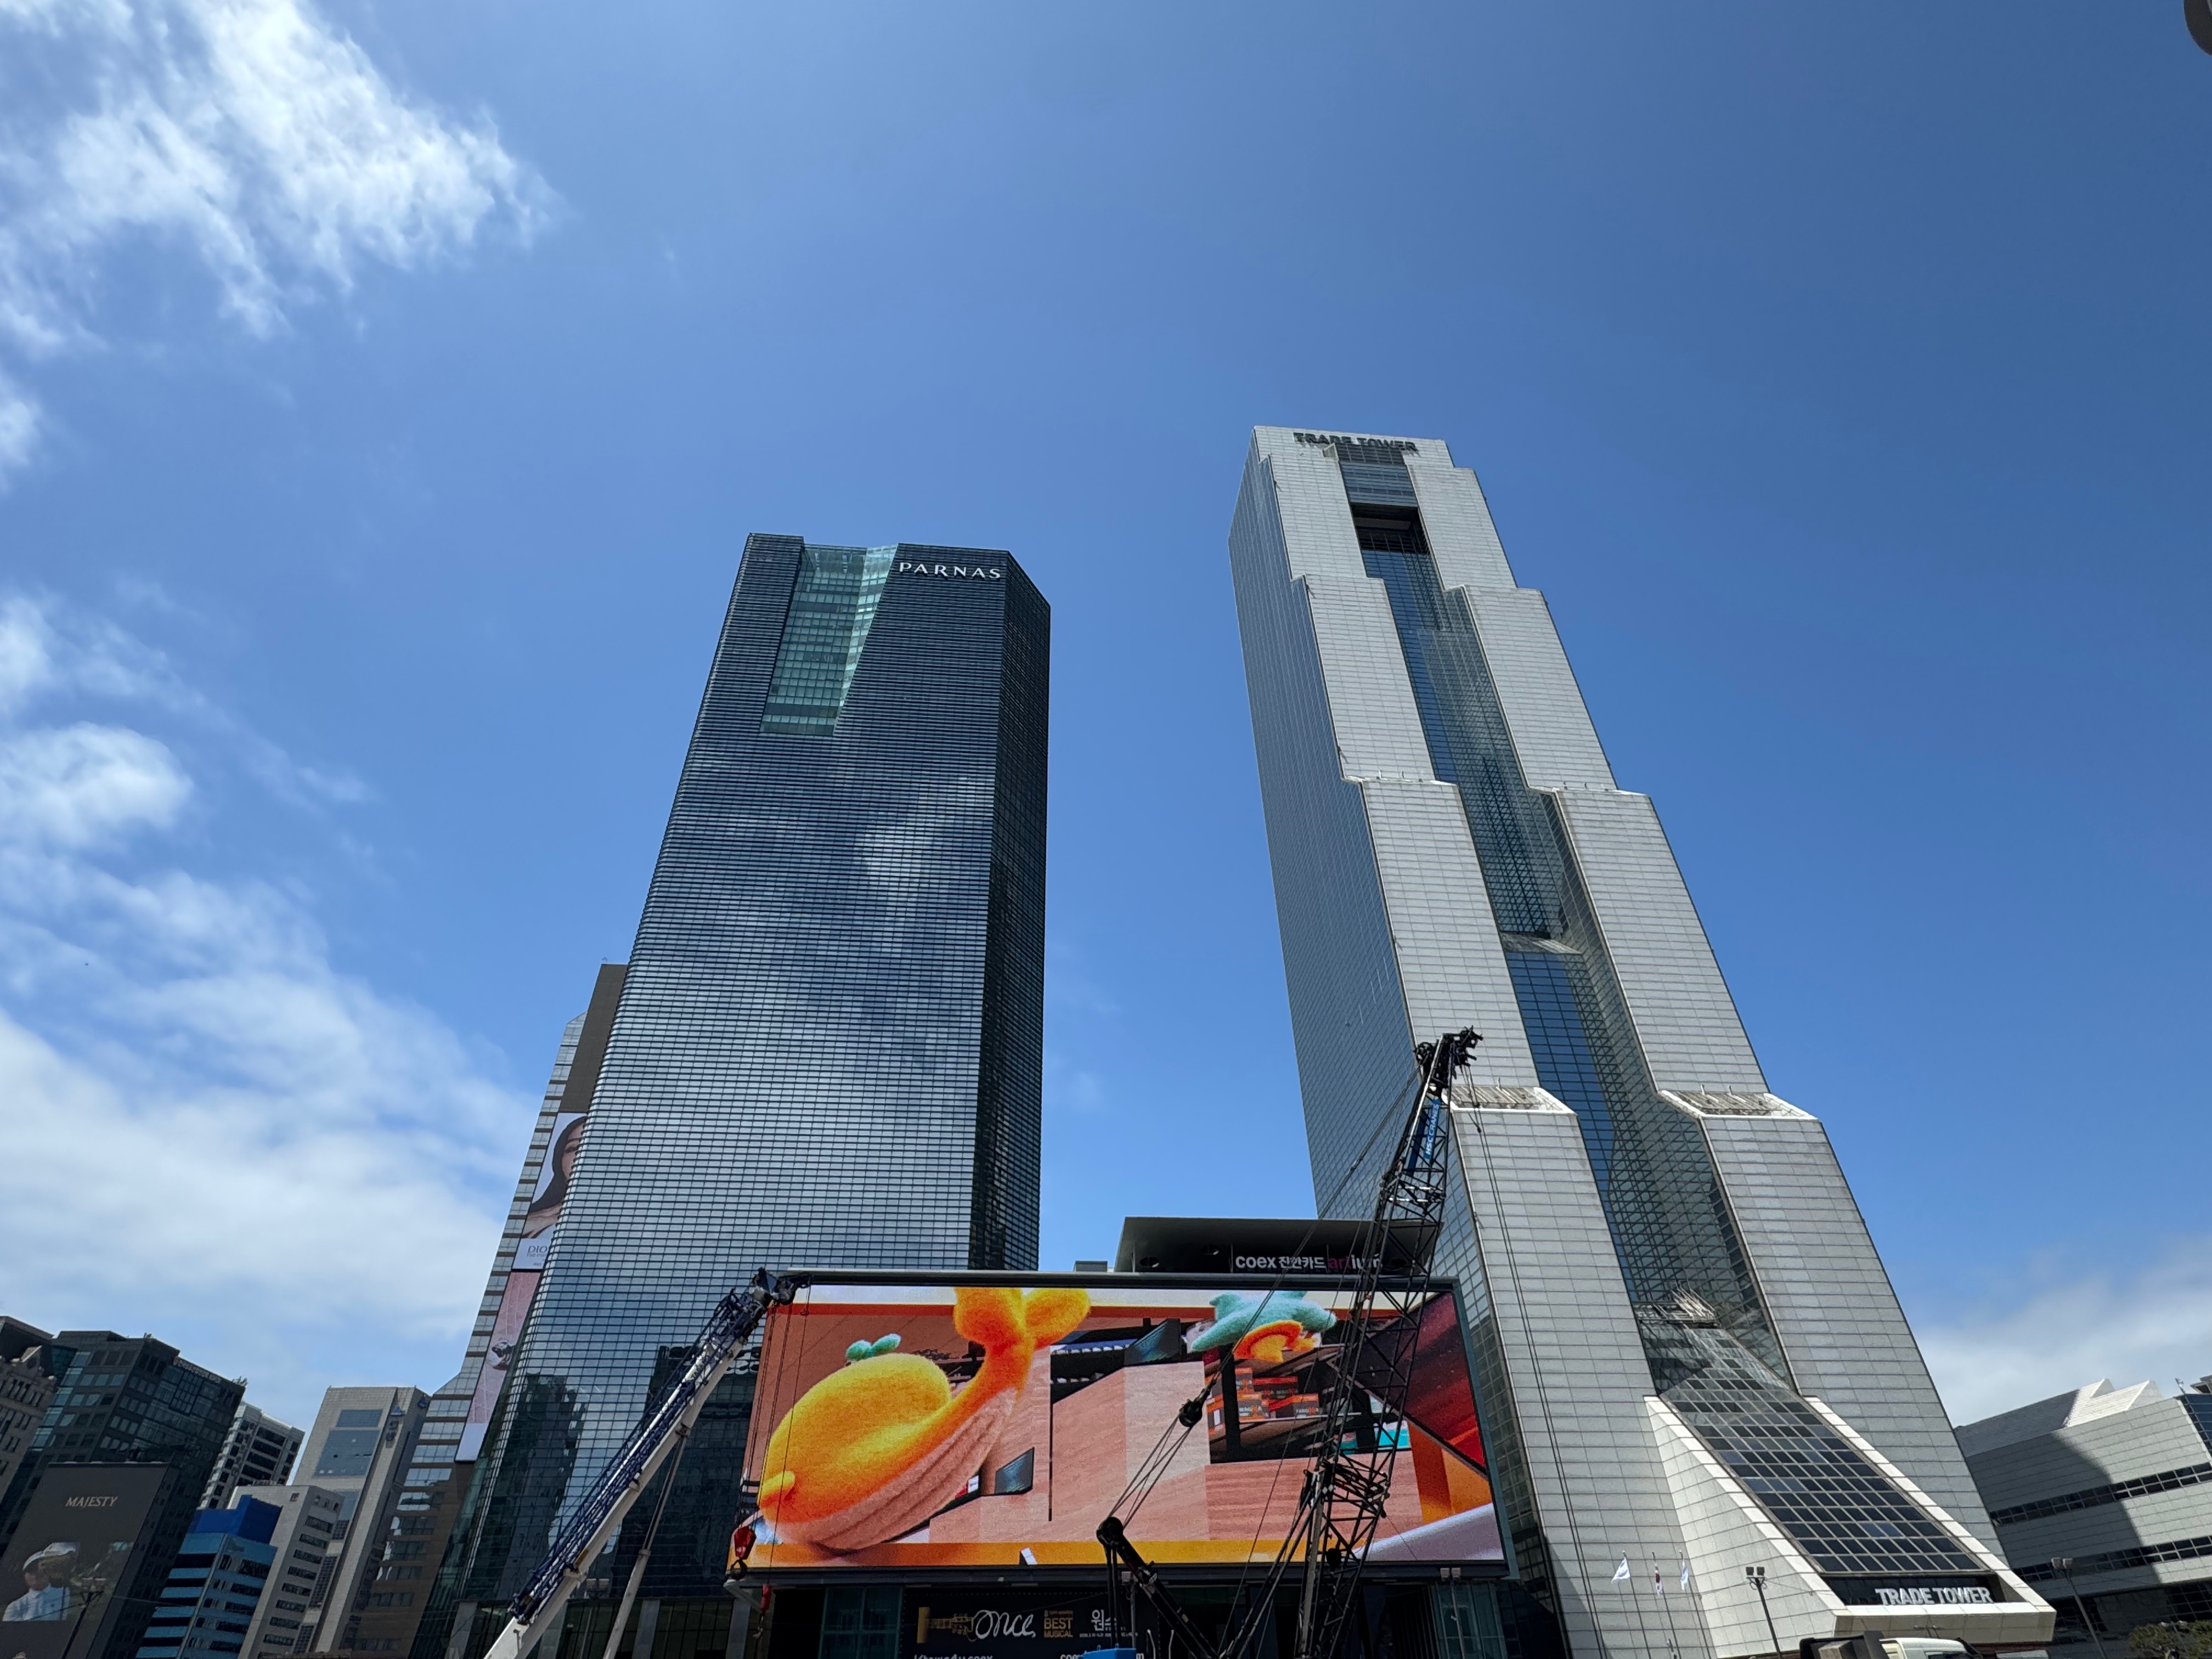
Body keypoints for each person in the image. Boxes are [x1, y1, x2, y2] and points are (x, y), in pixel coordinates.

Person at [3, 1544, 75, 1621]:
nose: (36, 1573)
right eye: (31, 1570)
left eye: (42, 1568)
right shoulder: (16, 1606)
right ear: (24, 1576)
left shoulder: (65, 1593)